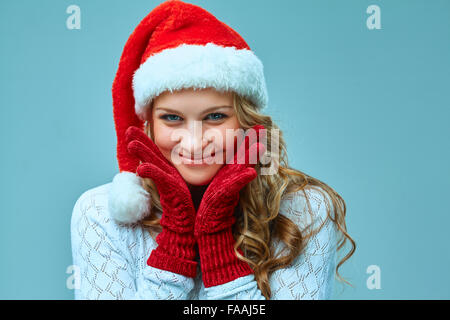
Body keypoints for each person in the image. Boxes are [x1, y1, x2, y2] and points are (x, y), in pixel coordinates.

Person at [70, 0, 355, 300]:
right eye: (172, 118)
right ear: (149, 126)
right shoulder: (100, 214)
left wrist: (218, 244)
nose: (194, 143)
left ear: (246, 120)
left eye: (215, 116)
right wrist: (176, 245)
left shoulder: (305, 210)